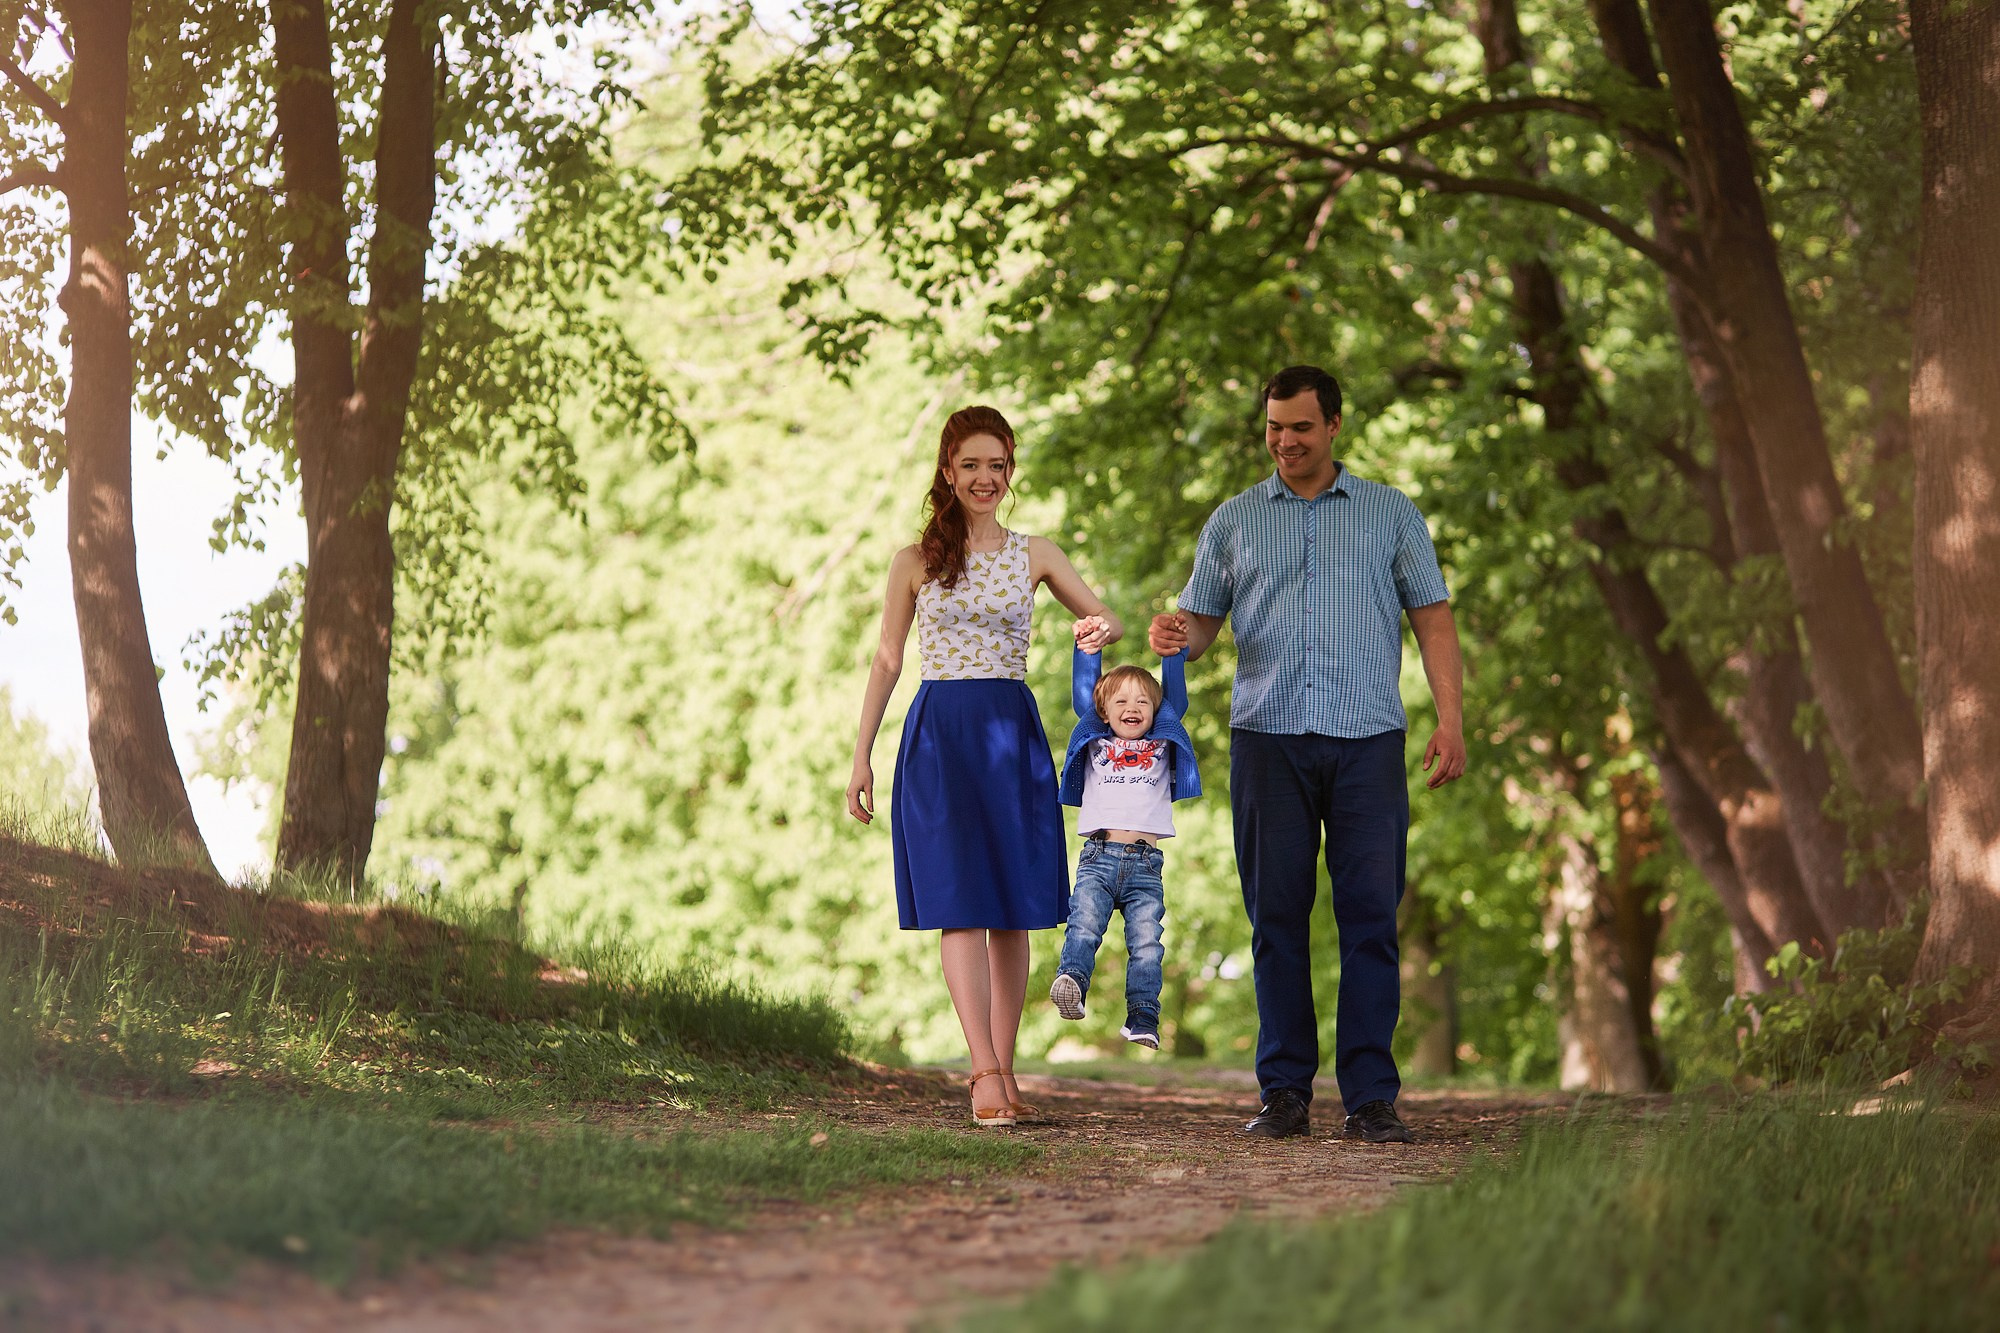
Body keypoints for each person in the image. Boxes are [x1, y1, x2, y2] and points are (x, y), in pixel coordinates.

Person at [1150, 365, 1466, 1144]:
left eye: (1299, 426)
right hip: (1268, 741)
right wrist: (1173, 638)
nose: (1285, 441)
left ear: (1333, 426)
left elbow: (1433, 619)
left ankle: (1370, 1097)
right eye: (1273, 428)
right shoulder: (1232, 521)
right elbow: (1199, 627)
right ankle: (1285, 1091)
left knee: (1370, 920)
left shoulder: (1391, 514)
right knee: (1277, 919)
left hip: (1368, 742)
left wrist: (1451, 719)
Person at [847, 404, 1124, 1129]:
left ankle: (1007, 1070)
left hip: (1010, 731)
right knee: (962, 904)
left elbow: (1102, 616)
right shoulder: (914, 561)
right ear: (947, 470)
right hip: (940, 735)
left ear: (1010, 471)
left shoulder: (1036, 552)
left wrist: (1099, 628)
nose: (984, 477)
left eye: (996, 464)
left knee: (1014, 910)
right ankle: (982, 1072)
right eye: (970, 463)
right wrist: (861, 755)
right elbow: (886, 660)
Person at [1048, 616, 1203, 1049]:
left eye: (1141, 702)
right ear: (1104, 712)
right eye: (1120, 702)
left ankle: (1142, 1018)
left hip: (1144, 865)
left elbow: (1176, 697)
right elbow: (1085, 694)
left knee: (1147, 945)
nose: (1131, 708)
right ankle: (1072, 982)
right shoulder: (1096, 739)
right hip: (1098, 858)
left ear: (1155, 711)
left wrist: (1171, 656)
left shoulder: (1161, 741)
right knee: (1083, 925)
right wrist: (1088, 651)